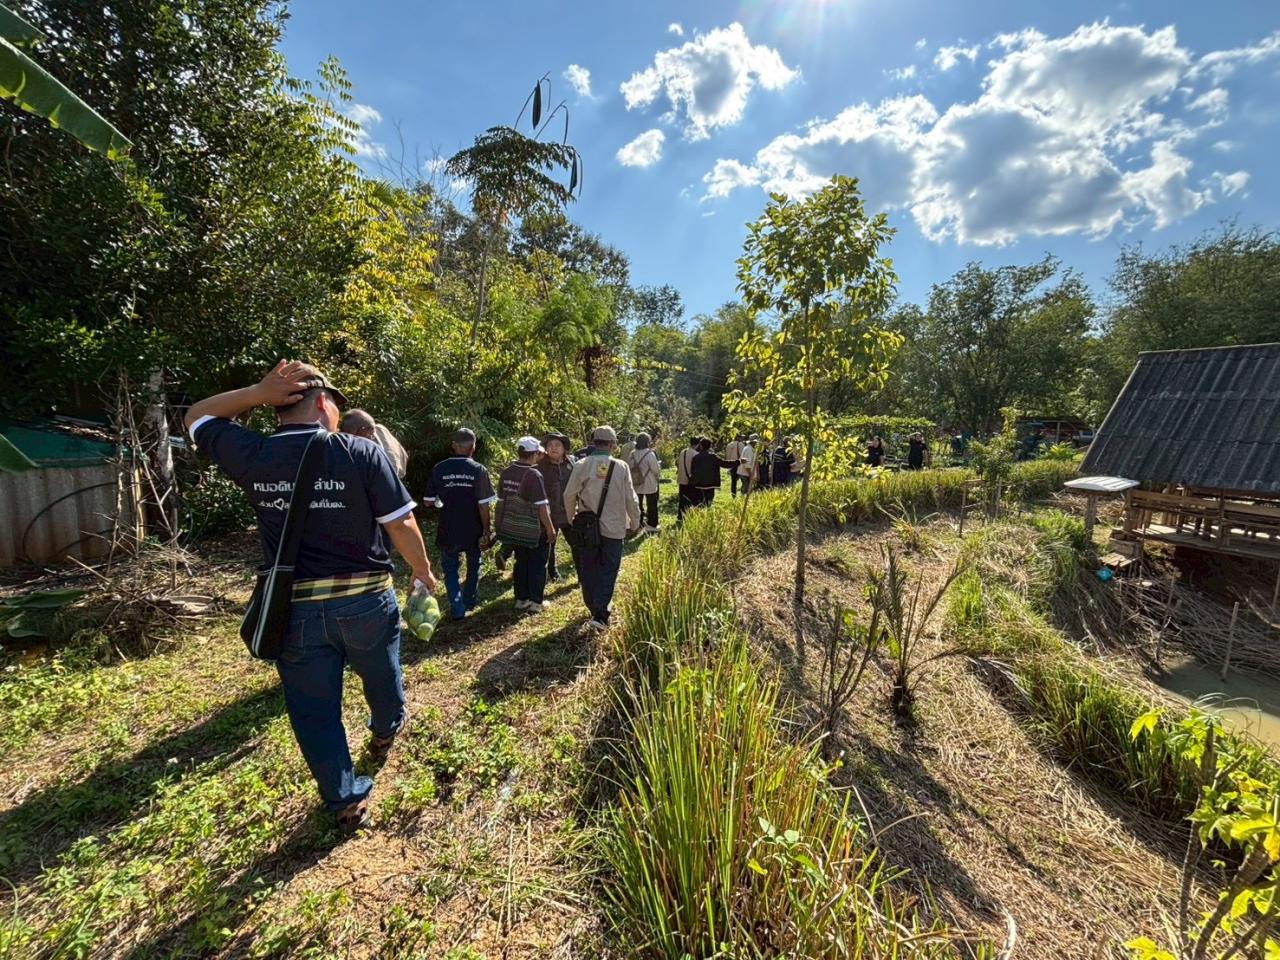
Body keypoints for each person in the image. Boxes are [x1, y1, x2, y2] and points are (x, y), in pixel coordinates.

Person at [184, 360, 438, 832]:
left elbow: (197, 417)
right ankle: (385, 729)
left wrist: (258, 392)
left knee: (313, 709)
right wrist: (422, 572)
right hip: (365, 600)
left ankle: (343, 798)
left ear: (280, 405)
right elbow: (401, 523)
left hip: (294, 610)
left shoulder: (255, 454)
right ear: (325, 403)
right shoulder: (360, 453)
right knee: (382, 673)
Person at [563, 425, 641, 630]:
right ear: (613, 444)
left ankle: (594, 608)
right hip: (614, 528)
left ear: (593, 442)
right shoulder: (621, 466)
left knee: (589, 568)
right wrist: (635, 521)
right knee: (609, 569)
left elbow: (568, 495)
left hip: (587, 528)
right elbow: (630, 498)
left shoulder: (581, 464)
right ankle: (600, 613)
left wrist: (572, 518)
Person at [424, 427, 496, 620]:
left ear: (453, 446)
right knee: (474, 564)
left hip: (448, 526)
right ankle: (470, 600)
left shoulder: (439, 468)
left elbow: (429, 501)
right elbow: (483, 505)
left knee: (450, 569)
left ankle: (457, 608)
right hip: (473, 527)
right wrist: (487, 530)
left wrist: (443, 500)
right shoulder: (478, 470)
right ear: (473, 447)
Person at [496, 437, 558, 613]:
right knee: (538, 563)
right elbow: (541, 506)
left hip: (514, 526)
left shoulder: (506, 472)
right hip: (533, 528)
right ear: (535, 454)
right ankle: (536, 602)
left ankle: (521, 599)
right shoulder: (534, 474)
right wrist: (550, 529)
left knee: (521, 561)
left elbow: (501, 501)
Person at [537, 430, 577, 581]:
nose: (553, 448)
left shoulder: (572, 463)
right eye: (550, 445)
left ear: (564, 448)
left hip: (569, 513)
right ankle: (552, 573)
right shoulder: (540, 465)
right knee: (549, 545)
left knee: (576, 545)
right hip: (548, 513)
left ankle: (582, 576)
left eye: (557, 445)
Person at [340, 408, 409, 479]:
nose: (374, 434)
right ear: (362, 431)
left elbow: (392, 467)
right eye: (372, 430)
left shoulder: (379, 432)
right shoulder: (345, 445)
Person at [628, 432, 662, 533]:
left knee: (637, 504)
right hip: (649, 483)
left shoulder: (633, 453)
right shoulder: (649, 453)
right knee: (652, 504)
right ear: (648, 442)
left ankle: (639, 523)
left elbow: (630, 467)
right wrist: (658, 476)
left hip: (636, 482)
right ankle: (652, 524)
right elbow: (655, 470)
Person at [689, 438, 737, 508]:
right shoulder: (713, 457)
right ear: (710, 446)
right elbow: (724, 464)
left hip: (699, 484)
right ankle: (707, 514)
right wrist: (738, 462)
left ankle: (700, 515)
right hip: (710, 484)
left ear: (701, 446)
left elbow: (692, 470)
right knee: (708, 502)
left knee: (699, 503)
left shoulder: (696, 457)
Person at [675, 435, 699, 524]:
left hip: (681, 478)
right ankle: (688, 516)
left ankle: (680, 516)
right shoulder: (695, 454)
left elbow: (678, 463)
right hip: (690, 480)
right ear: (698, 444)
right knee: (690, 499)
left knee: (682, 499)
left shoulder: (683, 451)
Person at [723, 433, 746, 497]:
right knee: (743, 480)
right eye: (741, 437)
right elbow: (743, 455)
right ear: (738, 437)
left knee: (733, 482)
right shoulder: (741, 444)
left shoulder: (729, 445)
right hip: (739, 464)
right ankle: (743, 494)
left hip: (731, 464)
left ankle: (733, 495)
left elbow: (727, 457)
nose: (742, 439)